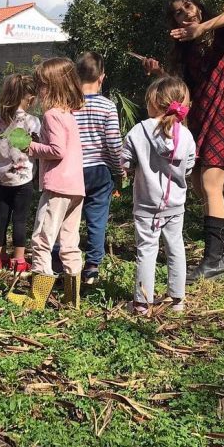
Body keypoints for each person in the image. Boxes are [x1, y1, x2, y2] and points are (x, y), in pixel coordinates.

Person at [143, 0, 224, 282]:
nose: (185, 14)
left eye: (188, 7)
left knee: (210, 183)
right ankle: (222, 255)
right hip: (202, 120)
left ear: (200, 9)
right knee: (199, 185)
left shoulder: (220, 33)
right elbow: (182, 91)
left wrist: (203, 28)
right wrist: (159, 73)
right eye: (178, 13)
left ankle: (215, 259)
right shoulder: (186, 51)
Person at [7, 58, 85, 310]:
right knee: (70, 242)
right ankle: (72, 298)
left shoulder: (51, 115)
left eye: (40, 85)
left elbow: (56, 150)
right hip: (75, 187)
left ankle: (36, 298)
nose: (38, 91)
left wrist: (30, 146)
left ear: (50, 87)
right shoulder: (69, 114)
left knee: (42, 239)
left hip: (57, 187)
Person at [123, 76, 197, 315]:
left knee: (146, 250)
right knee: (176, 248)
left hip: (146, 204)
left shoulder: (138, 131)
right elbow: (188, 168)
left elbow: (125, 162)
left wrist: (134, 169)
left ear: (155, 101)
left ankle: (142, 303)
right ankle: (177, 300)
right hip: (175, 204)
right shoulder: (185, 135)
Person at [72, 52, 123, 285]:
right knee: (97, 218)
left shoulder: (68, 105)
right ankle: (92, 266)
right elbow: (113, 143)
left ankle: (63, 259)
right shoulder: (108, 106)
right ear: (101, 78)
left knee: (67, 218)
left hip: (71, 170)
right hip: (99, 170)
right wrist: (118, 169)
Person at [0, 74, 41, 274]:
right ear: (29, 99)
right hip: (24, 177)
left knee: (2, 216)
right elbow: (37, 147)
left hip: (2, 175)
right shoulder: (32, 121)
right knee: (19, 218)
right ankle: (19, 259)